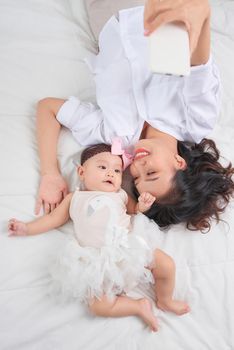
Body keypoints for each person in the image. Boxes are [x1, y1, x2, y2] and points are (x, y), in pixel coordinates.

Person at [35, 0, 234, 231]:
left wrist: (50, 173)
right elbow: (199, 62)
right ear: (179, 162)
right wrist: (201, 13)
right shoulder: (196, 121)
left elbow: (48, 109)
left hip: (105, 16)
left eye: (137, 179)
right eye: (151, 172)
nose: (138, 167)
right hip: (156, 10)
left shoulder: (113, 135)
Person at [8, 143, 190, 332]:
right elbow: (53, 219)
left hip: (128, 247)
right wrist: (26, 228)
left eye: (117, 170)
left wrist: (142, 207)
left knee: (166, 265)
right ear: (81, 172)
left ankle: (165, 300)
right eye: (102, 167)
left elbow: (134, 212)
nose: (111, 173)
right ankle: (138, 306)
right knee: (98, 306)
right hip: (98, 262)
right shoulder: (74, 198)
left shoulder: (121, 195)